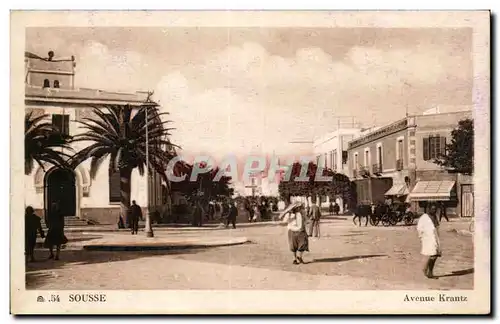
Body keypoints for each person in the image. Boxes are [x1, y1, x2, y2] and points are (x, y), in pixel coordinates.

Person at [417, 203, 442, 279]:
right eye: (432, 209)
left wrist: (438, 237)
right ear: (429, 209)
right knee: (433, 254)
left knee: (435, 254)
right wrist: (421, 237)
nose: (434, 210)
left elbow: (437, 226)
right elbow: (419, 228)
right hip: (427, 238)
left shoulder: (435, 217)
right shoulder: (424, 217)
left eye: (435, 209)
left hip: (435, 237)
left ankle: (428, 270)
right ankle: (427, 271)